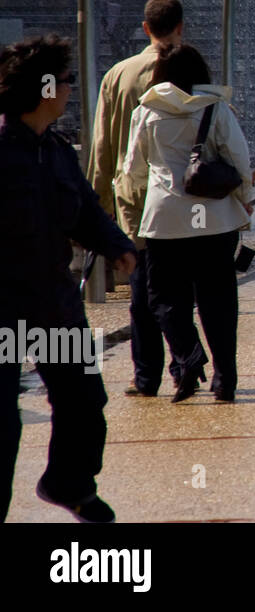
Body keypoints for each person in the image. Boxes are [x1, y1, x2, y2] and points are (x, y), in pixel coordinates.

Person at [1, 34, 136, 523]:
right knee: (1, 421)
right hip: (4, 308)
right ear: (43, 88)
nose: (72, 89)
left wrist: (119, 246)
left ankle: (68, 484)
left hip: (54, 304)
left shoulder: (55, 150)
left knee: (83, 400)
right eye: (66, 81)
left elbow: (85, 212)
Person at [117, 44, 252, 403]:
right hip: (215, 220)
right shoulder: (215, 107)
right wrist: (246, 200)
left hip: (165, 220)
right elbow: (239, 159)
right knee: (218, 300)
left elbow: (133, 170)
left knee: (164, 297)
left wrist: (145, 197)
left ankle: (188, 357)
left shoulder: (146, 110)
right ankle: (224, 381)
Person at [86, 0, 184, 397]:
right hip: (179, 199)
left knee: (142, 290)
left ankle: (146, 377)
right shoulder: (188, 70)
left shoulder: (118, 75)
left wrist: (96, 209)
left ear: (145, 28)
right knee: (178, 287)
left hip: (134, 200)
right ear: (181, 26)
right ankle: (185, 364)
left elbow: (103, 148)